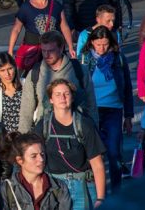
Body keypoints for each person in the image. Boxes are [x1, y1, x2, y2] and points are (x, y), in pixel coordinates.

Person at [34, 79, 107, 209]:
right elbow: (34, 160)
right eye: (57, 94)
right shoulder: (43, 126)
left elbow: (97, 164)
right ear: (51, 100)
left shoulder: (84, 125)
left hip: (82, 186)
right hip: (54, 187)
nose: (62, 97)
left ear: (72, 97)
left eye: (66, 94)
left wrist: (101, 198)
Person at [78, 26, 133, 193]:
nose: (102, 48)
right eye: (98, 44)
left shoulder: (118, 58)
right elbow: (77, 86)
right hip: (91, 111)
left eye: (105, 44)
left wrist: (128, 116)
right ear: (92, 42)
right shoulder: (84, 59)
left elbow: (128, 88)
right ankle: (95, 191)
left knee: (114, 152)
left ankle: (116, 191)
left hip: (114, 110)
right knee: (92, 154)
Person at [19, 31, 97, 133]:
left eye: (51, 51)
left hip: (76, 131)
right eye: (43, 51)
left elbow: (91, 103)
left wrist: (94, 131)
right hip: (45, 133)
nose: (47, 55)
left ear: (61, 48)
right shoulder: (35, 74)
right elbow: (26, 110)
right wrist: (23, 139)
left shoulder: (79, 70)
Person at [8, 0, 75, 73]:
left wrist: (70, 47)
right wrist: (10, 50)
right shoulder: (26, 7)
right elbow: (16, 29)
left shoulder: (56, 6)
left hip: (53, 49)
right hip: (33, 50)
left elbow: (64, 27)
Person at [0, 133, 72, 210]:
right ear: (20, 160)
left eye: (42, 154)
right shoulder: (5, 189)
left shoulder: (59, 187)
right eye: (34, 156)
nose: (41, 159)